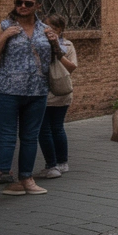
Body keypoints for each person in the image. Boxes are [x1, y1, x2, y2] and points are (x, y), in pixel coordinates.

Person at [0, 0, 55, 193]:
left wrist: (55, 43)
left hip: (37, 90)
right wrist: (4, 36)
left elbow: (58, 56)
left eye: (28, 3)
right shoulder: (2, 26)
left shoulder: (45, 29)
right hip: (9, 91)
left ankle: (26, 179)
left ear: (37, 6)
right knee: (7, 134)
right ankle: (3, 172)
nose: (22, 6)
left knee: (30, 136)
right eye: (18, 2)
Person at [36, 15, 78, 179]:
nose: (45, 30)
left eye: (49, 27)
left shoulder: (67, 45)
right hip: (41, 92)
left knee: (53, 128)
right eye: (43, 26)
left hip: (60, 92)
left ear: (59, 29)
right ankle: (56, 164)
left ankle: (56, 164)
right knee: (46, 129)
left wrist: (57, 51)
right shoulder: (37, 44)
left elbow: (72, 68)